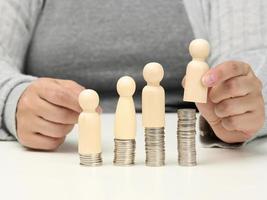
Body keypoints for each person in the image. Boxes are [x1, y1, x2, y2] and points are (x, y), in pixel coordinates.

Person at [0, 0, 266, 150]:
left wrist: (239, 106)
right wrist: (13, 97)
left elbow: (254, 62)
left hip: (196, 158)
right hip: (50, 159)